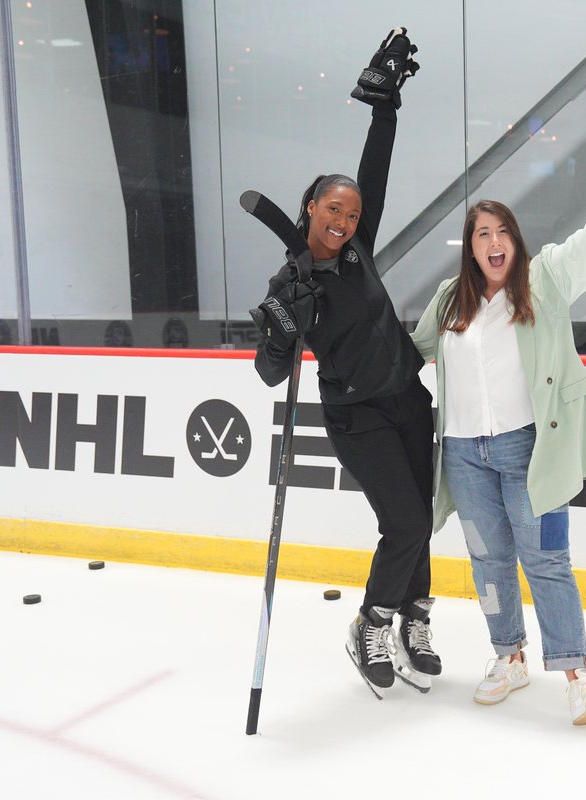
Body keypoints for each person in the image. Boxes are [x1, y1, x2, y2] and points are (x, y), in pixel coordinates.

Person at [411, 106, 586, 725]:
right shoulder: (449, 301)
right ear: (469, 246)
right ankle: (508, 657)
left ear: (515, 240)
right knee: (487, 559)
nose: (492, 242)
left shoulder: (548, 279)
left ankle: (577, 674)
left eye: (501, 231)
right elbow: (412, 353)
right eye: (481, 233)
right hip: (463, 455)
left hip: (529, 451)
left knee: (547, 560)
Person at [252, 28, 439, 699]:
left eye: (353, 212)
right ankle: (372, 621)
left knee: (422, 515)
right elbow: (270, 372)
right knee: (406, 523)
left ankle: (416, 617)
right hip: (356, 414)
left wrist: (384, 104)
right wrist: (281, 329)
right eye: (334, 208)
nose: (345, 218)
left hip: (408, 400)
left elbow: (376, 166)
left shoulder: (356, 252)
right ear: (310, 208)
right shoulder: (289, 286)